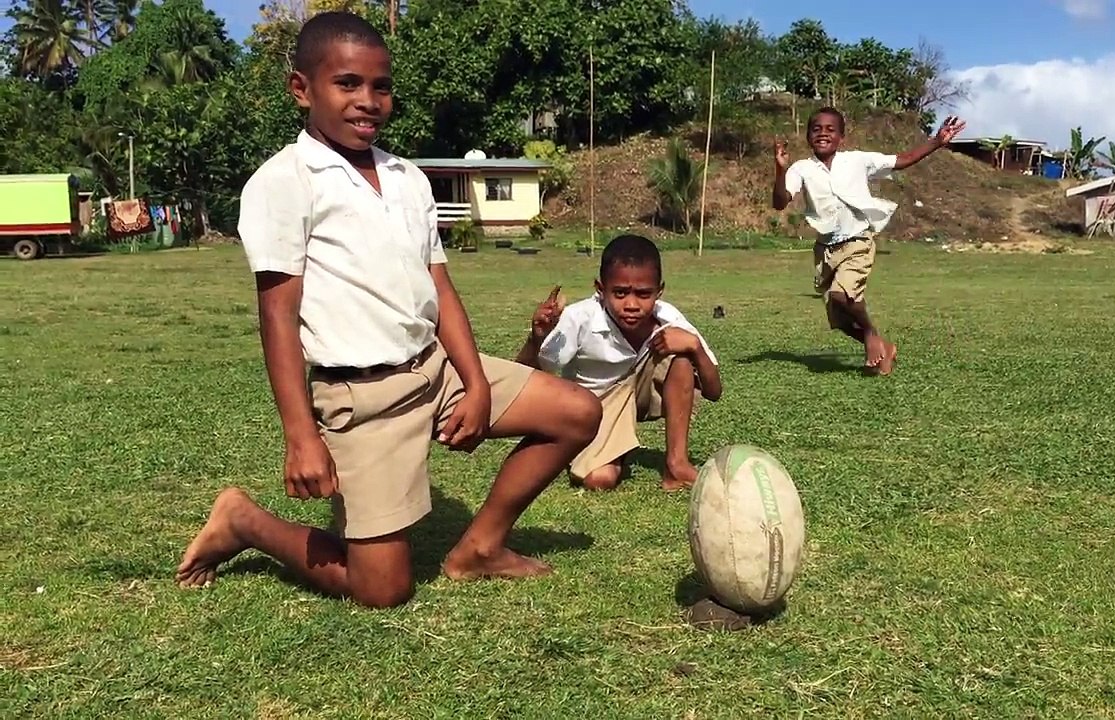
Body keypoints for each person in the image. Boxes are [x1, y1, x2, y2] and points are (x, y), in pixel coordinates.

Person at [175, 12, 602, 609]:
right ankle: (245, 522)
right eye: (347, 84)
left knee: (578, 411)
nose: (367, 101)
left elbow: (440, 289)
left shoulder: (408, 179)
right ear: (302, 89)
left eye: (381, 86)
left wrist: (476, 383)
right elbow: (278, 315)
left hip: (439, 370)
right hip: (364, 398)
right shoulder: (285, 181)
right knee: (381, 590)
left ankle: (479, 548)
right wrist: (301, 436)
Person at [514, 234, 723, 492]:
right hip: (594, 406)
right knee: (599, 480)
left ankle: (676, 465)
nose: (632, 305)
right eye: (620, 293)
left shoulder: (667, 318)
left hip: (641, 394)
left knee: (680, 358)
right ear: (600, 290)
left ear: (659, 291)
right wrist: (536, 339)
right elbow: (527, 377)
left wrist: (695, 346)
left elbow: (714, 391)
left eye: (644, 294)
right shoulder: (579, 319)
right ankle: (604, 448)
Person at [772, 107, 966, 375]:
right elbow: (780, 202)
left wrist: (936, 141)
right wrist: (780, 171)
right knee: (840, 320)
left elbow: (902, 160)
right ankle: (884, 347)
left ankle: (872, 335)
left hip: (858, 241)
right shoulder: (801, 169)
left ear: (841, 137)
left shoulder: (857, 161)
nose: (823, 134)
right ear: (807, 136)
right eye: (816, 129)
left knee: (842, 295)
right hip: (826, 249)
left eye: (830, 130)